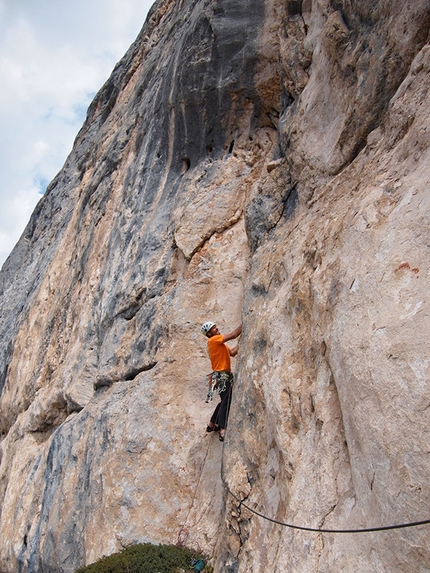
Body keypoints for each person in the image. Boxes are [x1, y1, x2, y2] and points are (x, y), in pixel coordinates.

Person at [201, 321, 242, 441]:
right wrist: (245, 323)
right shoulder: (214, 340)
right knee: (226, 400)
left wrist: (242, 343)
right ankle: (222, 429)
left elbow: (232, 353)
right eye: (213, 328)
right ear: (209, 333)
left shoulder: (219, 344)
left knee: (223, 400)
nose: (216, 328)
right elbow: (233, 334)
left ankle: (212, 423)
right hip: (222, 375)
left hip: (220, 375)